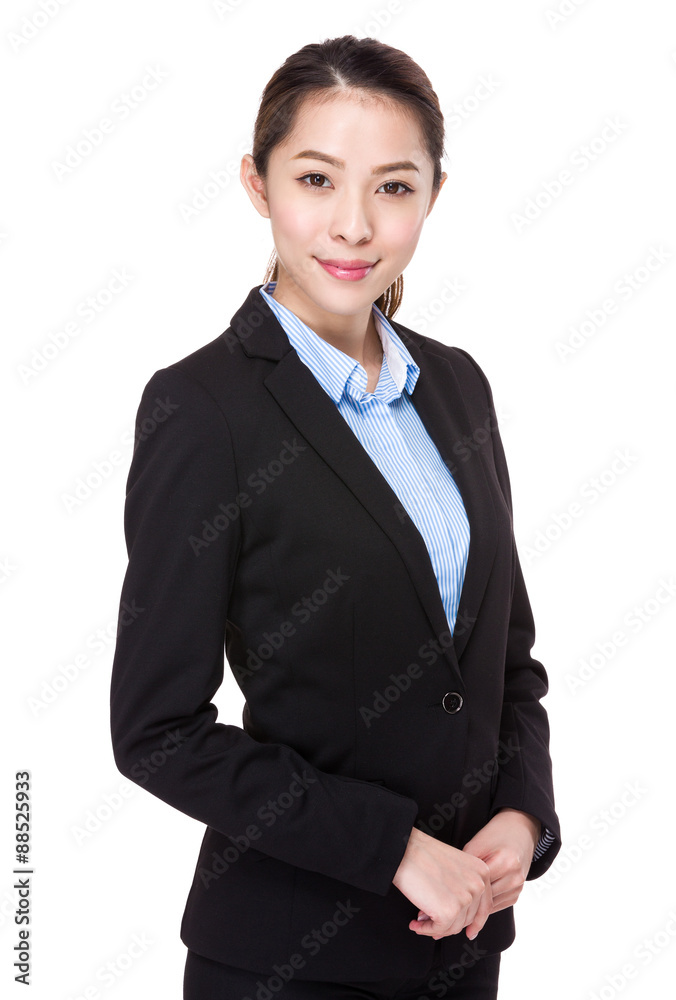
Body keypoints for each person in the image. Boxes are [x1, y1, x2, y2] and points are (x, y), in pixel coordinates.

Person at [109, 34, 561, 1000]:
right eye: (317, 178)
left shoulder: (456, 387)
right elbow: (156, 730)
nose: (354, 225)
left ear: (433, 193)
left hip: (464, 947)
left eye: (393, 187)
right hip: (285, 962)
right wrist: (393, 845)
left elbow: (506, 660)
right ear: (257, 184)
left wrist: (524, 818)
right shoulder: (204, 410)